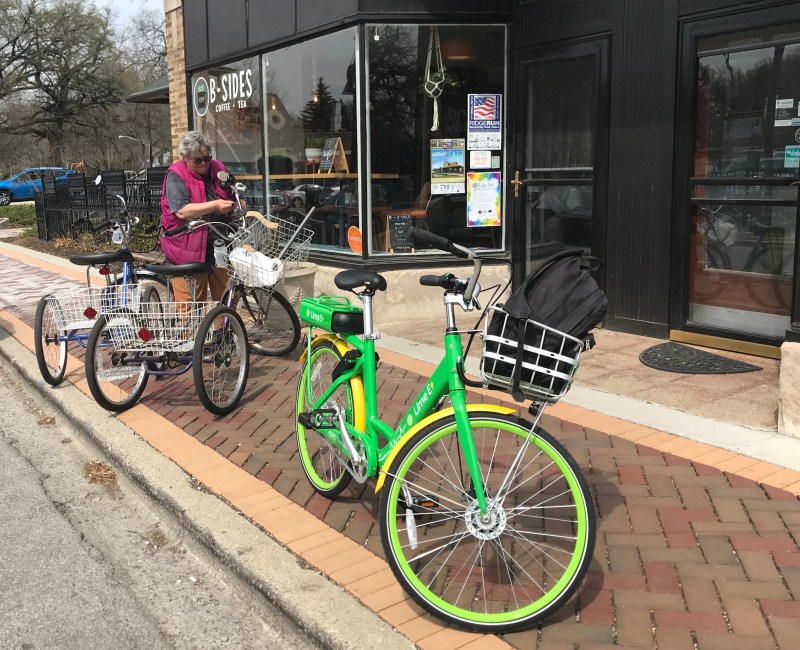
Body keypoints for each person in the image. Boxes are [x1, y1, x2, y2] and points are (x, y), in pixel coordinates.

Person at [160, 131, 236, 303]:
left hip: (219, 245)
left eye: (207, 158)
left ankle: (223, 330)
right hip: (188, 248)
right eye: (197, 160)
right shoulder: (176, 174)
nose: (204, 164)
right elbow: (182, 211)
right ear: (185, 157)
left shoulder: (218, 168)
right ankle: (191, 331)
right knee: (191, 306)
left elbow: (232, 190)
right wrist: (216, 205)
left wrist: (239, 202)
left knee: (227, 298)